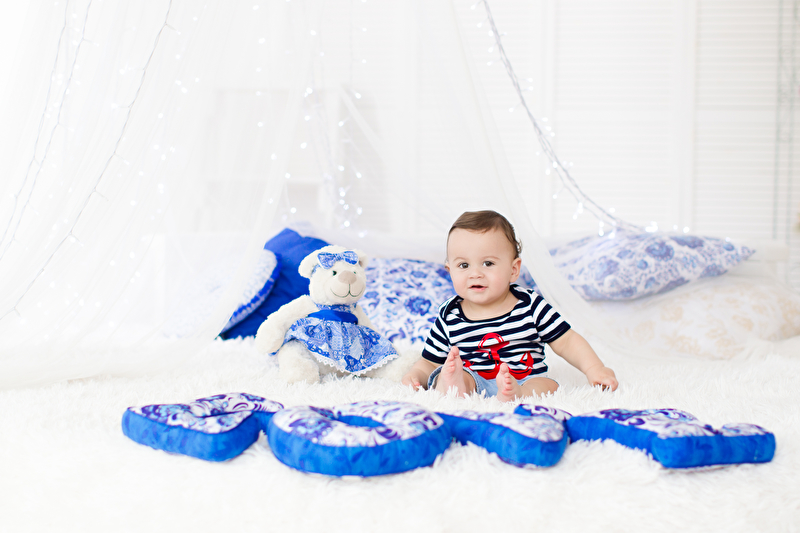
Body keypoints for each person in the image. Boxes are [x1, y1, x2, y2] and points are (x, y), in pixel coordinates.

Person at [401, 210, 618, 402]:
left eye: (488, 263)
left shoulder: (530, 305)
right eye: (464, 265)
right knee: (450, 373)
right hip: (474, 379)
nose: (475, 273)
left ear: (513, 270)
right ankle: (456, 385)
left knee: (548, 386)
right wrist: (415, 375)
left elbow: (567, 341)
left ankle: (518, 395)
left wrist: (594, 368)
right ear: (450, 271)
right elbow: (429, 361)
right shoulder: (450, 314)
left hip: (525, 379)